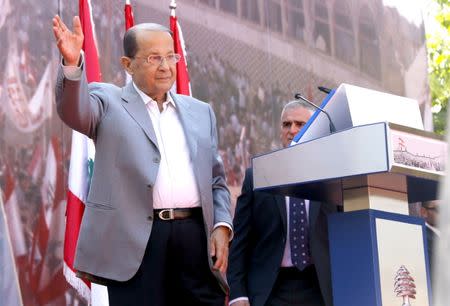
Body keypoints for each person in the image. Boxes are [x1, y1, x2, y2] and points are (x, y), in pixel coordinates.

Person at [52, 16, 233, 306]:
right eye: (153, 58)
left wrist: (222, 225)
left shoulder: (200, 112)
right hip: (137, 244)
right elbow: (75, 111)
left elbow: (216, 182)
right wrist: (72, 65)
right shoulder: (108, 101)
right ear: (128, 64)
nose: (165, 66)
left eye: (170, 56)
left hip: (194, 241)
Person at [227, 100, 336, 306]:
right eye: (286, 125)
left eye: (300, 124)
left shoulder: (331, 177)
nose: (292, 130)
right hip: (270, 290)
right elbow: (241, 241)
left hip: (319, 289)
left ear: (315, 129)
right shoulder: (258, 175)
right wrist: (238, 294)